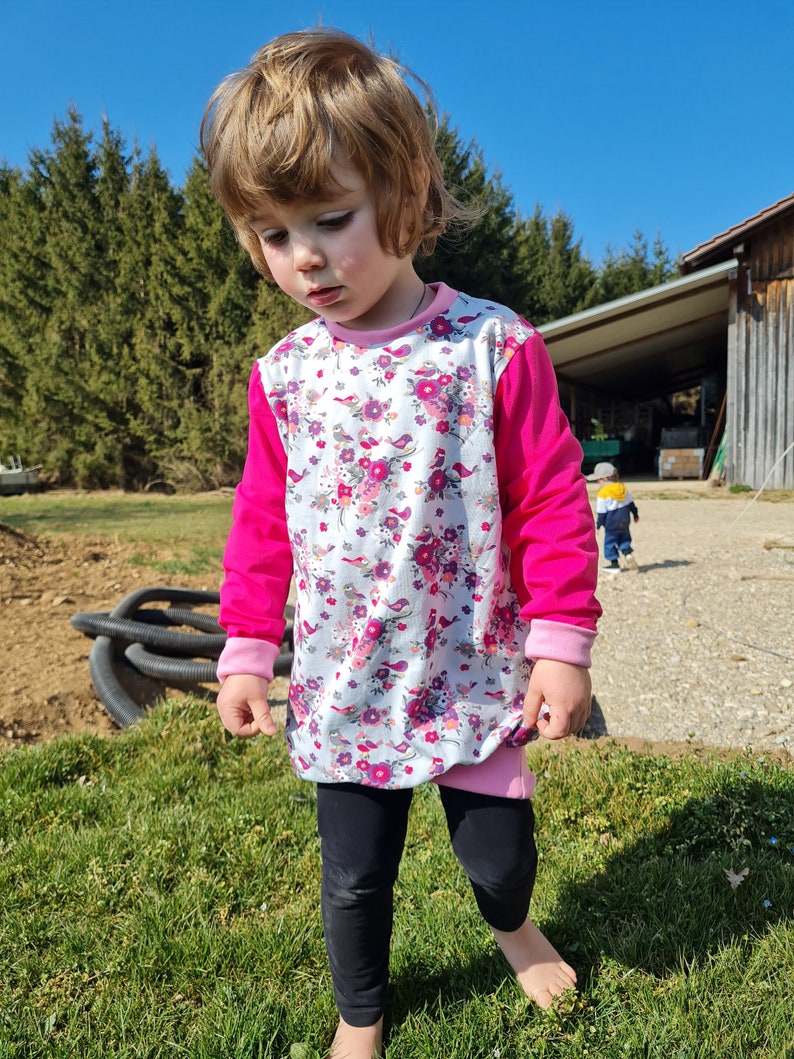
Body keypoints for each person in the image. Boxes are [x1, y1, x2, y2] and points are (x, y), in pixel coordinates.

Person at [201, 28, 601, 1059]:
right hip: (343, 682)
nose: (304, 258)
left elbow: (551, 496)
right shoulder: (281, 376)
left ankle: (512, 928)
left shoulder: (491, 346)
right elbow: (259, 523)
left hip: (471, 672)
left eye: (330, 219)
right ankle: (361, 1013)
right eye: (271, 233)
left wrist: (559, 639)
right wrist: (246, 649)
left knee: (499, 860)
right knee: (352, 880)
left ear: (405, 188)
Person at [588, 461, 640, 571]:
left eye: (599, 479)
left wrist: (598, 526)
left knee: (610, 542)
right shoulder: (622, 487)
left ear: (605, 478)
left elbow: (601, 512)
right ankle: (627, 554)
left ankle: (614, 564)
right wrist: (635, 515)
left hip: (612, 521)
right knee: (624, 538)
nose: (598, 482)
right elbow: (631, 504)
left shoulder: (603, 492)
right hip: (625, 519)